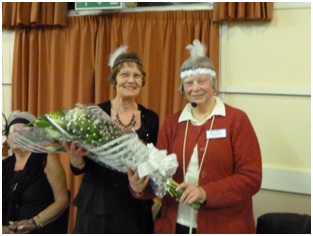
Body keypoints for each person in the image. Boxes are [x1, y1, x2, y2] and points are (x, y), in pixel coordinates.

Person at [128, 39, 262, 234]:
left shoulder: (236, 120)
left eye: (202, 81)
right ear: (183, 90)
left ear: (213, 84)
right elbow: (159, 173)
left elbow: (251, 177)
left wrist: (205, 192)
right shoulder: (172, 124)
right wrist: (140, 187)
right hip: (176, 225)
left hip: (224, 227)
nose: (195, 88)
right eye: (189, 83)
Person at [63, 45, 159, 234]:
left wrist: (142, 183)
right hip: (97, 203)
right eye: (125, 75)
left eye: (137, 76)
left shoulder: (151, 118)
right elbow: (81, 166)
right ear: (114, 79)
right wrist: (75, 160)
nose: (131, 80)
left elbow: (152, 161)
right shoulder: (95, 113)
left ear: (142, 81)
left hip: (134, 205)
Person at [2, 111, 69, 234]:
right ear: (8, 138)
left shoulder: (47, 159)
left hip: (41, 229)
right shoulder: (4, 166)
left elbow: (62, 200)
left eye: (23, 132)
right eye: (13, 132)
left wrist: (34, 222)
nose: (17, 136)